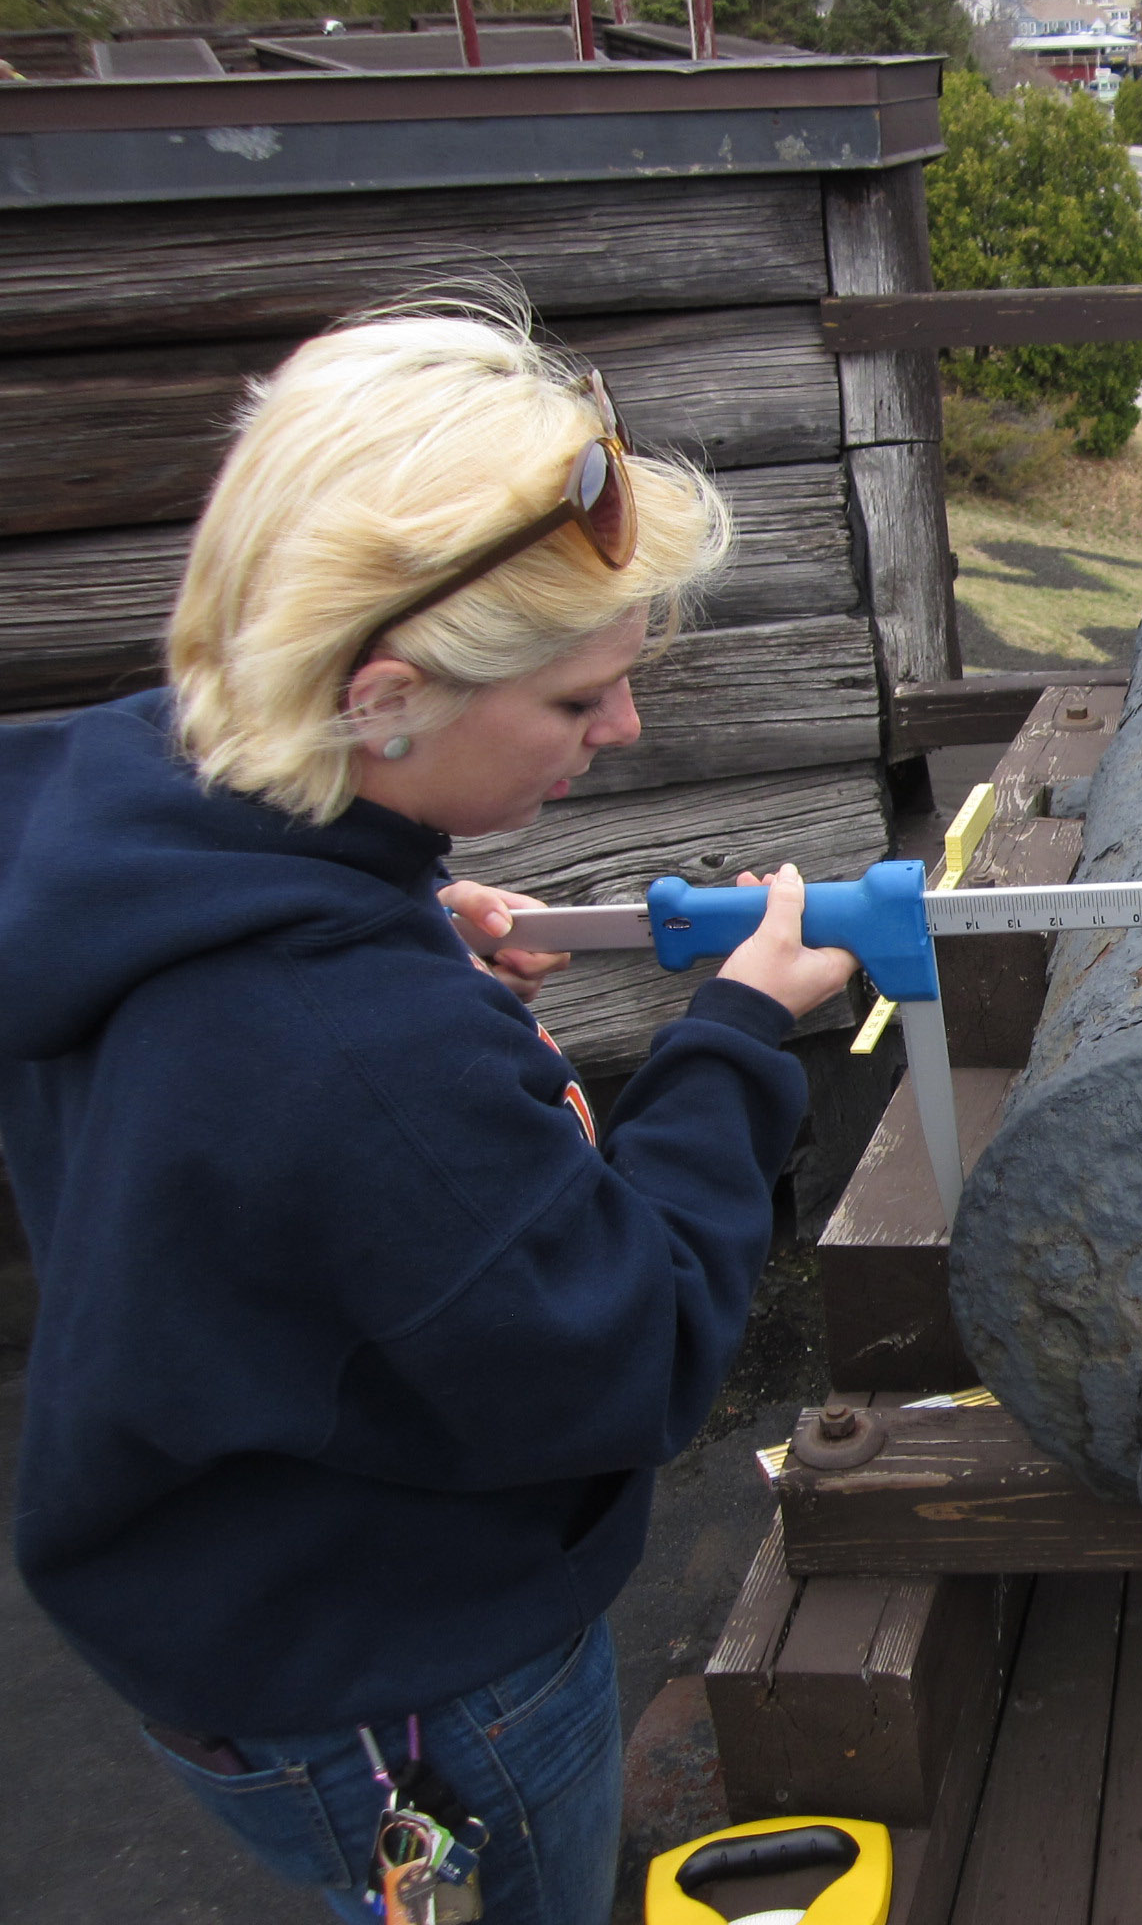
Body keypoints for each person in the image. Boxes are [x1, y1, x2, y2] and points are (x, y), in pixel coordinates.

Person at [0, 306, 859, 1923]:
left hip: (224, 1600)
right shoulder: (356, 1050)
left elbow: (273, 1071)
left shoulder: (126, 807)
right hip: (416, 1687)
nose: (623, 732)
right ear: (385, 695)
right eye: (577, 700)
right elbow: (634, 1349)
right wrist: (742, 1031)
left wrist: (392, 909)